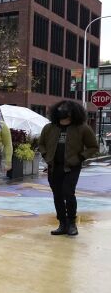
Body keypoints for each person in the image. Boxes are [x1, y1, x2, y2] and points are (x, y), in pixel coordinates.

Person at [37, 100, 98, 236]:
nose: (62, 111)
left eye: (65, 109)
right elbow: (41, 144)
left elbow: (93, 147)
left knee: (68, 193)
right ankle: (62, 224)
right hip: (54, 167)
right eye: (60, 109)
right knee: (57, 195)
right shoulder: (49, 128)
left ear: (73, 112)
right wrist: (47, 156)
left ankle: (72, 223)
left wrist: (80, 158)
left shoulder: (82, 128)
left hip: (72, 167)